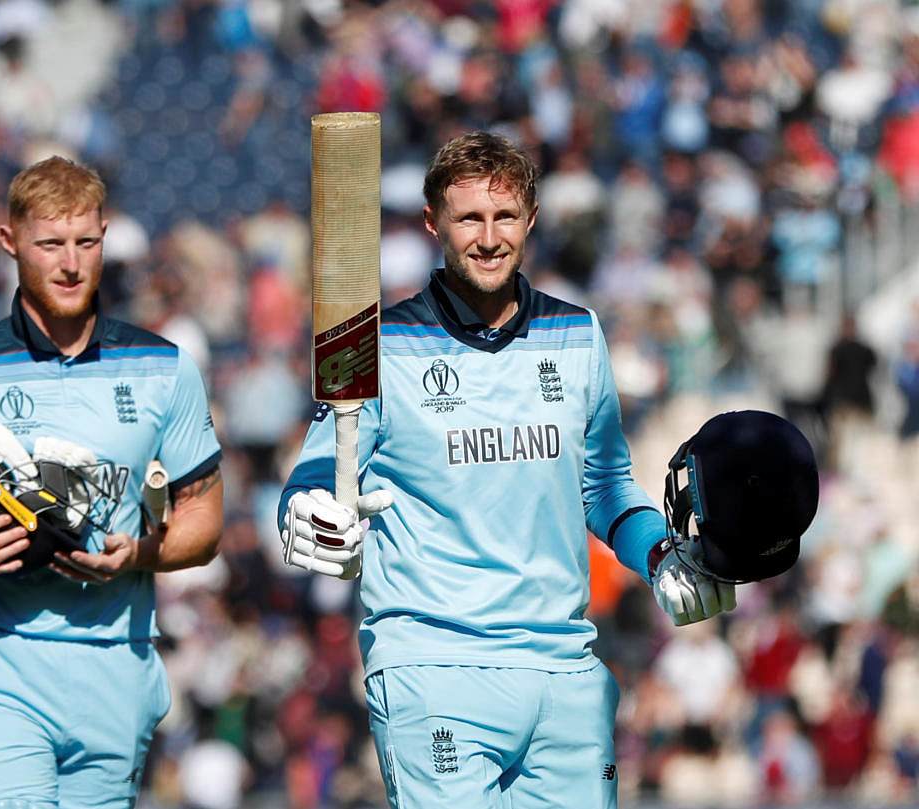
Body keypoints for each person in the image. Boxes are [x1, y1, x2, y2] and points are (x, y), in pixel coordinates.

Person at [278, 131, 734, 808]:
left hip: (564, 670)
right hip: (433, 666)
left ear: (530, 221)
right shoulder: (366, 343)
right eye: (468, 218)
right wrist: (311, 514)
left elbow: (604, 485)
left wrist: (661, 554)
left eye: (504, 217)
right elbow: (313, 476)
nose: (488, 237)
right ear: (434, 223)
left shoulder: (579, 333)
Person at [0, 155, 224, 808]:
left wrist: (140, 552)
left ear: (105, 236)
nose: (71, 262)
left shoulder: (164, 367)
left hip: (115, 675)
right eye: (50, 244)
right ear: (9, 242)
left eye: (87, 242)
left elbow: (203, 516)